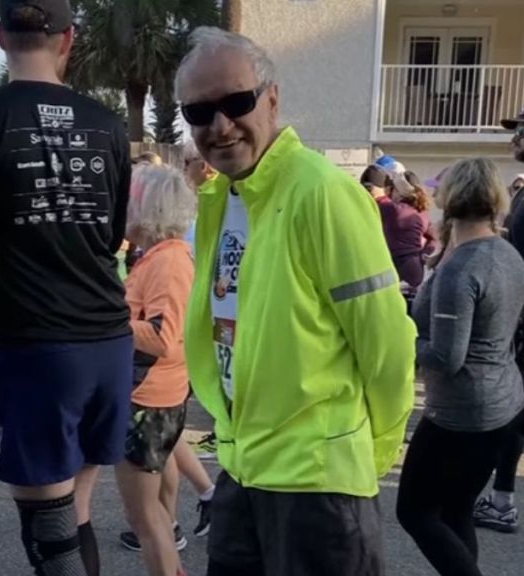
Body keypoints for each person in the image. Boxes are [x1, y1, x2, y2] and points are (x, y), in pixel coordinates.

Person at [175, 27, 416, 576]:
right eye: (199, 111)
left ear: (272, 99)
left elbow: (386, 342)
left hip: (317, 486)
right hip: (244, 466)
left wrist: (363, 458)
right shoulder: (222, 198)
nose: (220, 125)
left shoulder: (322, 193)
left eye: (237, 103)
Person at [0, 2, 133, 575]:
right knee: (74, 514)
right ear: (68, 38)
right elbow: (112, 235)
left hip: (38, 349)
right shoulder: (107, 123)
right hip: (109, 346)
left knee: (49, 530)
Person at [396, 158, 524, 576]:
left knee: (414, 512)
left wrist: (399, 336)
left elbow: (446, 358)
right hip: (503, 404)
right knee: (456, 512)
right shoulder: (507, 253)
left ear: (449, 199)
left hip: (463, 413)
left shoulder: (462, 268)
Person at [113, 165, 196, 576]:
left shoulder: (169, 262)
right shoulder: (162, 257)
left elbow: (163, 337)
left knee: (144, 518)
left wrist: (103, 321)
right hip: (153, 397)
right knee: (155, 514)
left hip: (148, 400)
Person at [473, 100, 524, 539]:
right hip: (521, 320)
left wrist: (518, 315)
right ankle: (502, 501)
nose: (515, 136)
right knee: (514, 415)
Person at [360, 165, 437, 295]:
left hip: (396, 267)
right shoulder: (421, 212)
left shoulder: (390, 209)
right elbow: (434, 237)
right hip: (415, 267)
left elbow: (373, 202)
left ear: (398, 191)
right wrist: (424, 254)